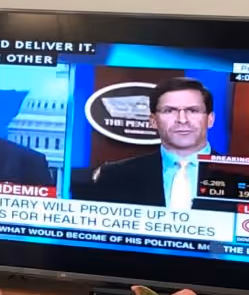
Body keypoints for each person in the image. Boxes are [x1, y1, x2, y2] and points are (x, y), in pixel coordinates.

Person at [91, 75, 218, 209]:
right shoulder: (115, 176)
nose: (182, 120)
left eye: (193, 110)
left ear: (210, 119)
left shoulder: (239, 175)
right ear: (153, 121)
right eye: (169, 111)